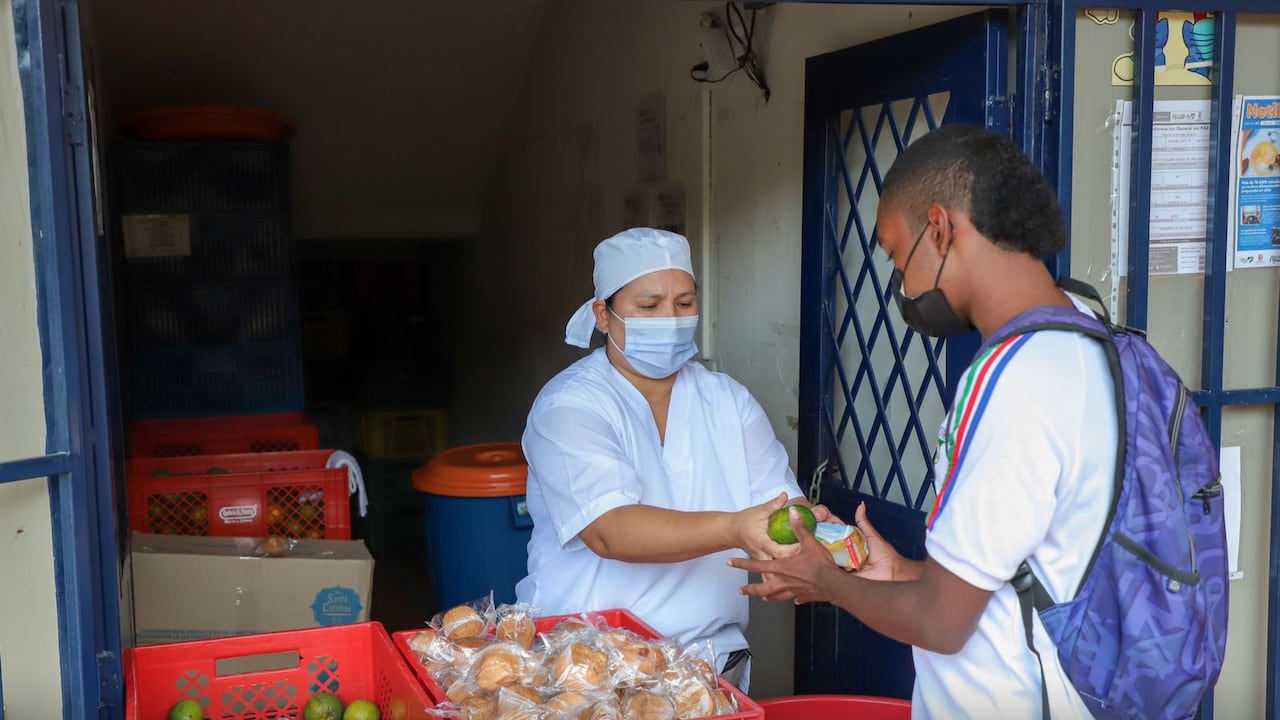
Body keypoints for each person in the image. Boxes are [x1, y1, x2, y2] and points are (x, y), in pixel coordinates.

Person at [731, 124, 1118, 719]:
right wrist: (901, 572)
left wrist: (825, 581)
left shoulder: (1019, 382)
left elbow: (943, 624)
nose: (902, 286)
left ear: (939, 228)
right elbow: (1022, 577)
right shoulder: (1091, 337)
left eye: (895, 255)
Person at [515, 227, 836, 691]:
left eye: (684, 304)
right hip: (590, 666)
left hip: (709, 665)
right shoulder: (570, 405)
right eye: (649, 306)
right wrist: (734, 527)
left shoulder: (728, 401)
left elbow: (776, 505)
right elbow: (610, 530)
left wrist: (808, 528)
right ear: (603, 315)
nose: (670, 318)